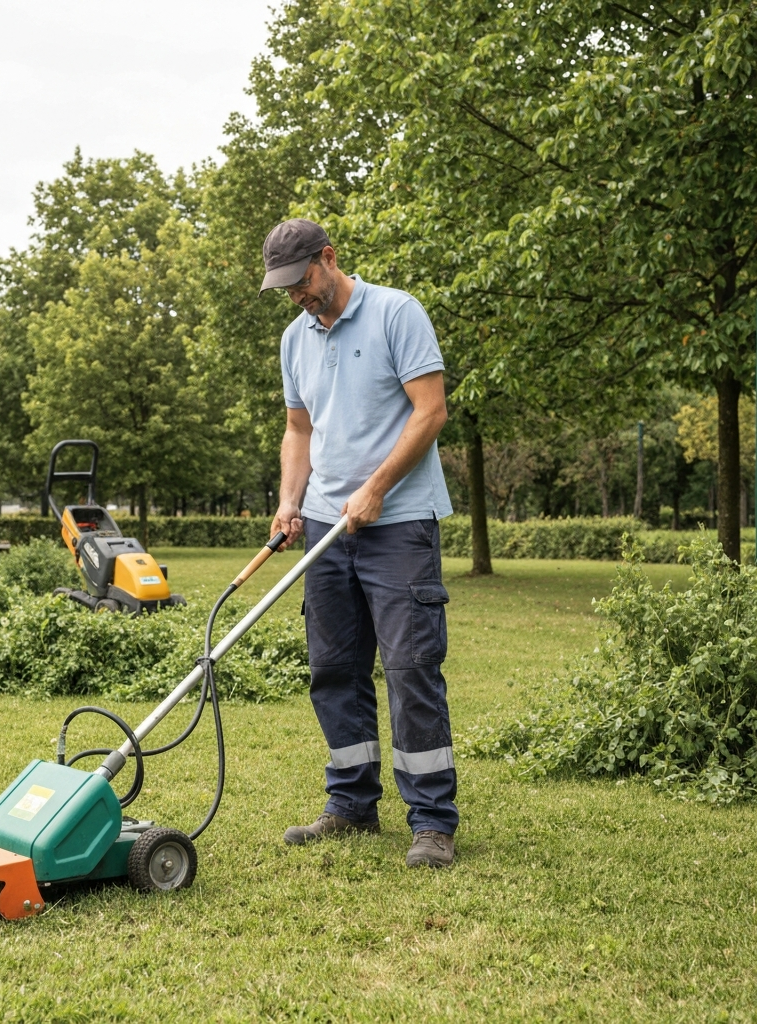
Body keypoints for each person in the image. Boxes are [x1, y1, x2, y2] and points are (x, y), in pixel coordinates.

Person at [261, 218, 457, 869]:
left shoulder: (397, 314)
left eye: (302, 281)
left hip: (398, 523)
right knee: (334, 670)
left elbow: (430, 411)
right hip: (324, 525)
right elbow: (298, 429)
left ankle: (431, 821)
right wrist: (291, 502)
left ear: (329, 258)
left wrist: (374, 488)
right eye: (285, 289)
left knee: (409, 668)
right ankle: (350, 805)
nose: (297, 296)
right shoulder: (295, 339)